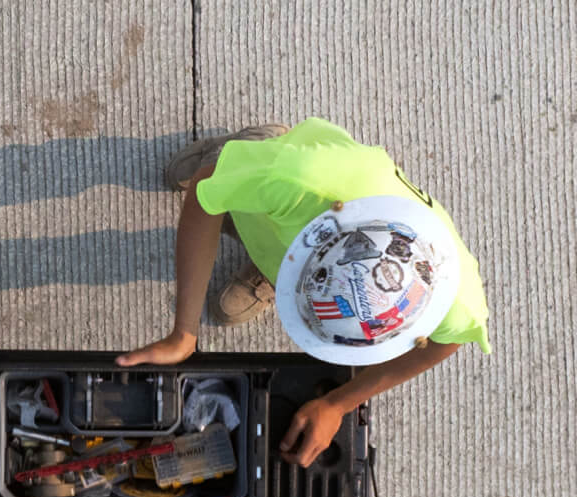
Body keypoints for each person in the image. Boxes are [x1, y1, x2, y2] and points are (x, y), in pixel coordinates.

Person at [116, 118, 490, 467]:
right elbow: (200, 193)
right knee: (214, 183)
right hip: (280, 181)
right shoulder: (297, 180)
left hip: (286, 230)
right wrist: (184, 333)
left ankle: (270, 265)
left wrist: (338, 404)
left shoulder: (455, 299)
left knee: (235, 277)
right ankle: (243, 149)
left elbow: (445, 343)